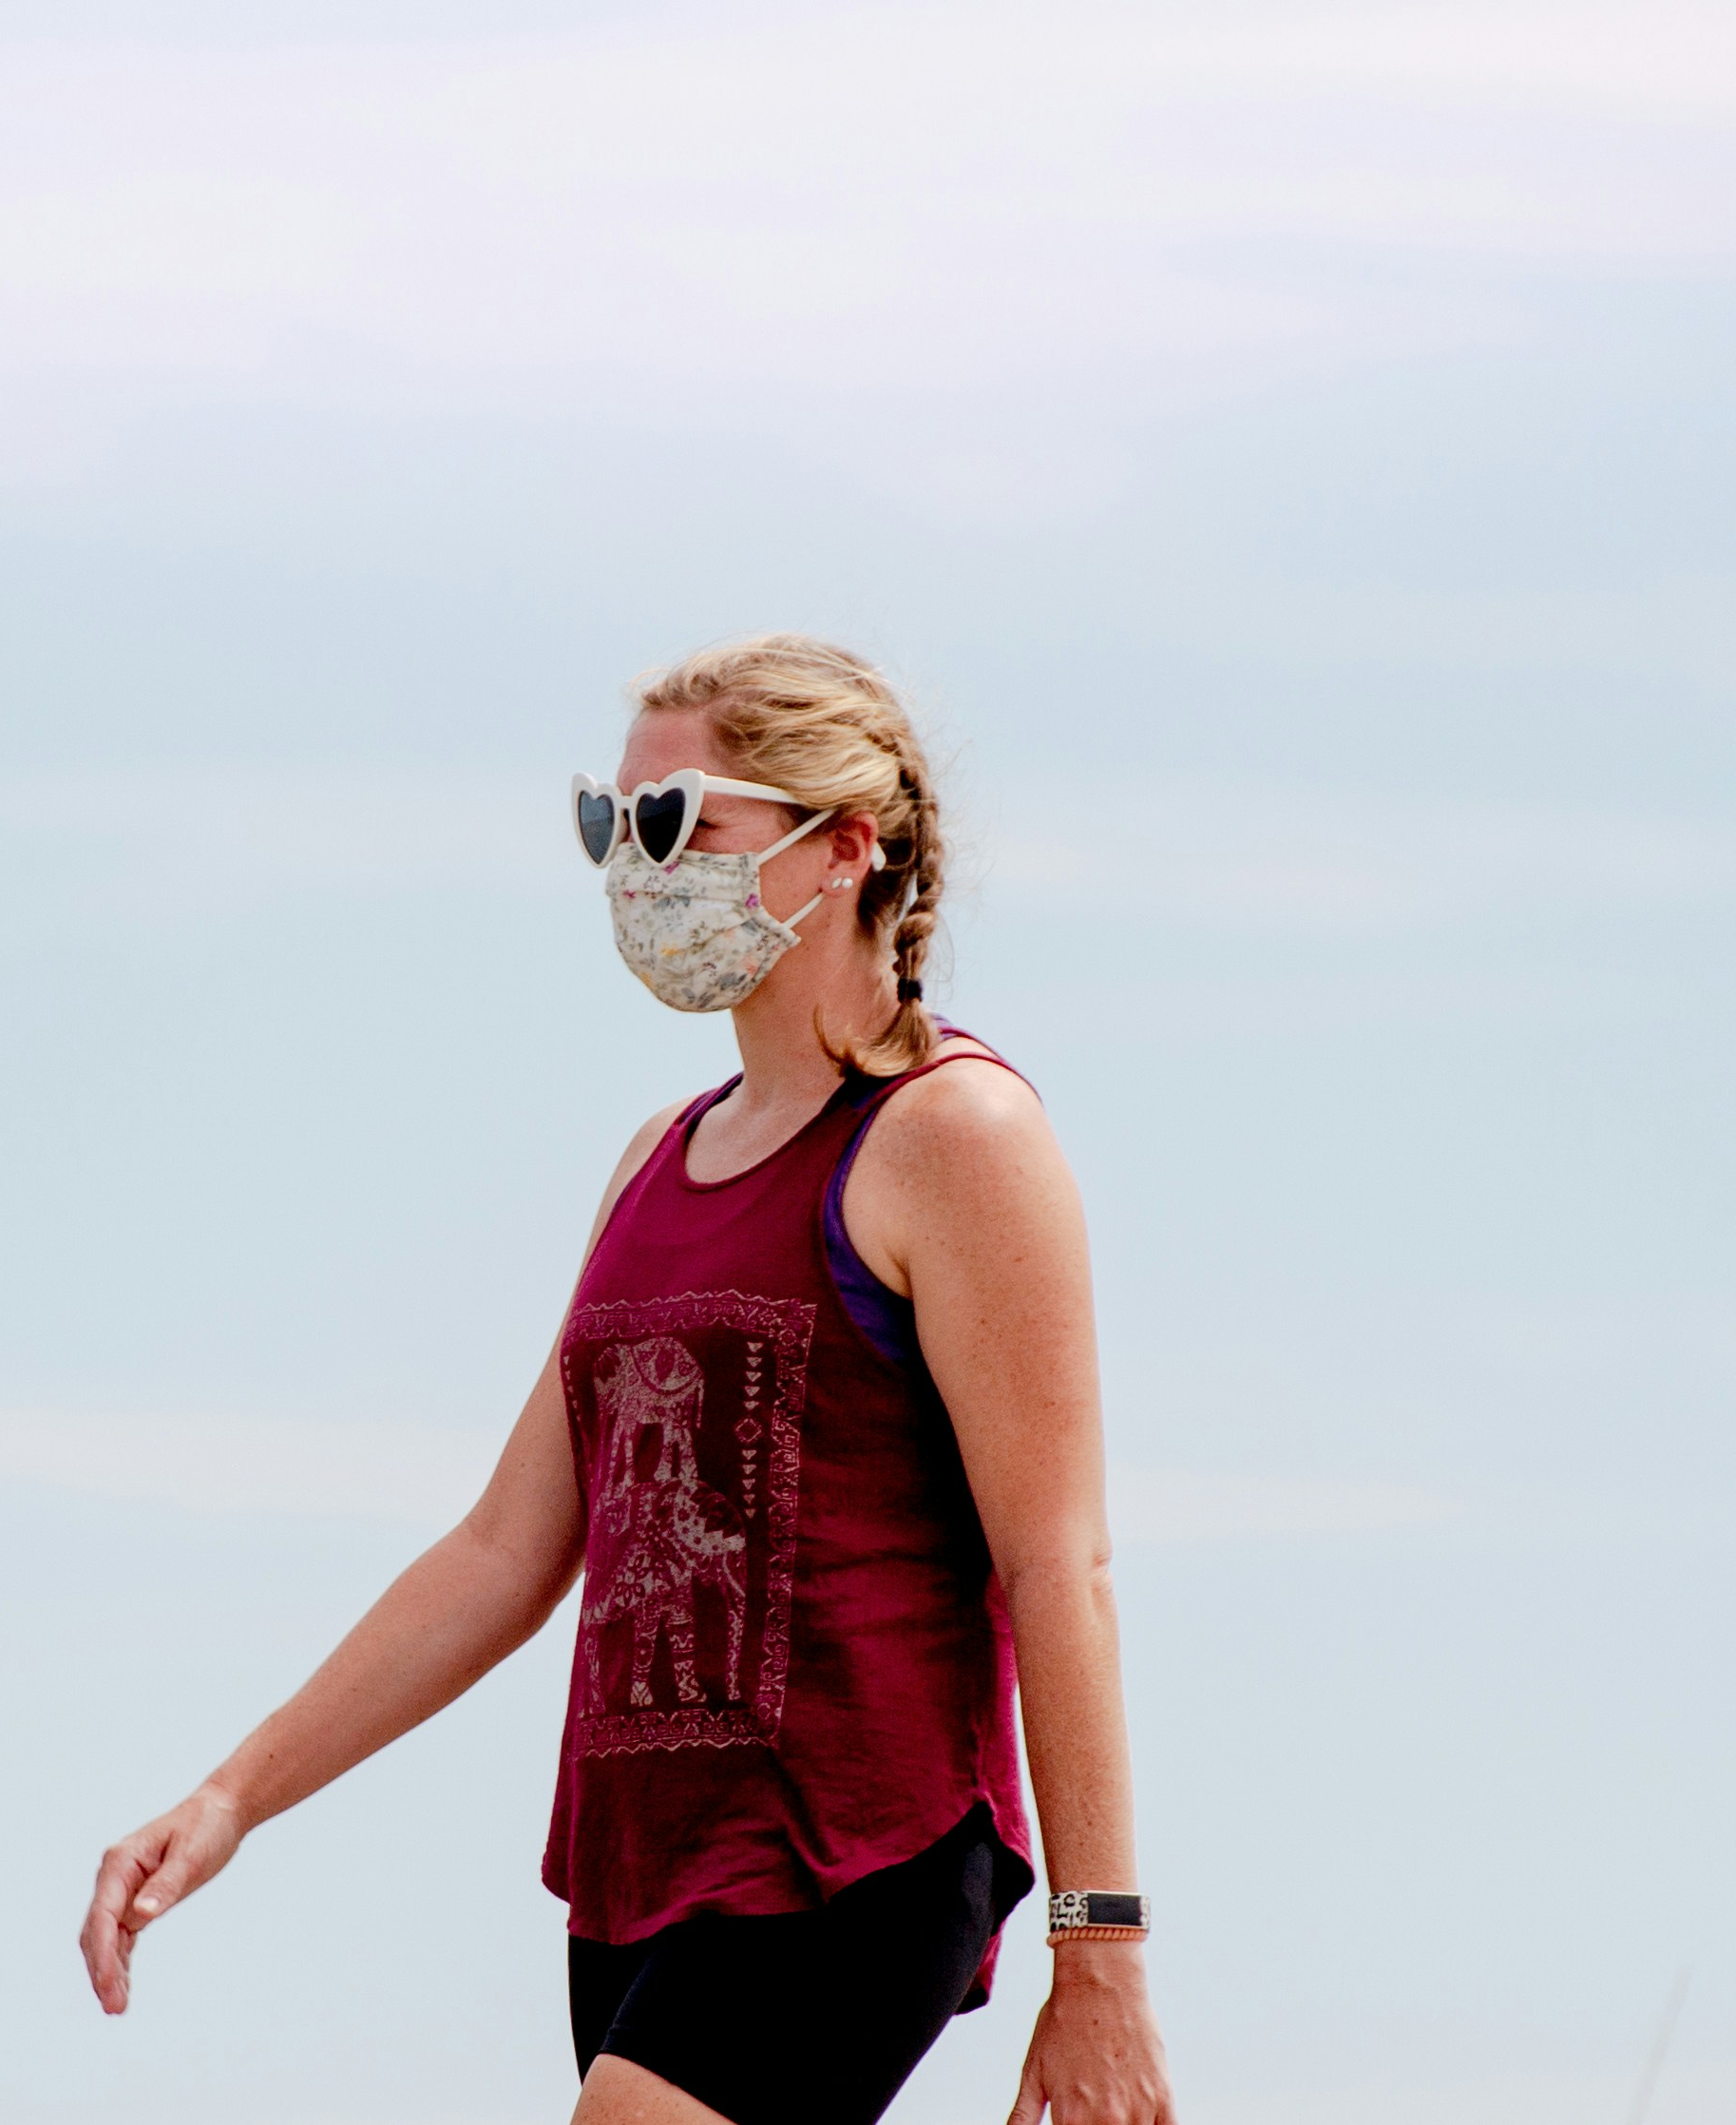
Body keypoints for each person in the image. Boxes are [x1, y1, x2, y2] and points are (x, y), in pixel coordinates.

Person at [79, 636, 1177, 2125]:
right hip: (636, 1877)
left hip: (851, 1851)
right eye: (610, 825)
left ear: (843, 846)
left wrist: (1096, 1958)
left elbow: (1060, 1564)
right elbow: (502, 1553)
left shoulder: (952, 1137)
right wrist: (230, 1800)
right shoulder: (650, 1165)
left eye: (679, 826)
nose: (635, 868)